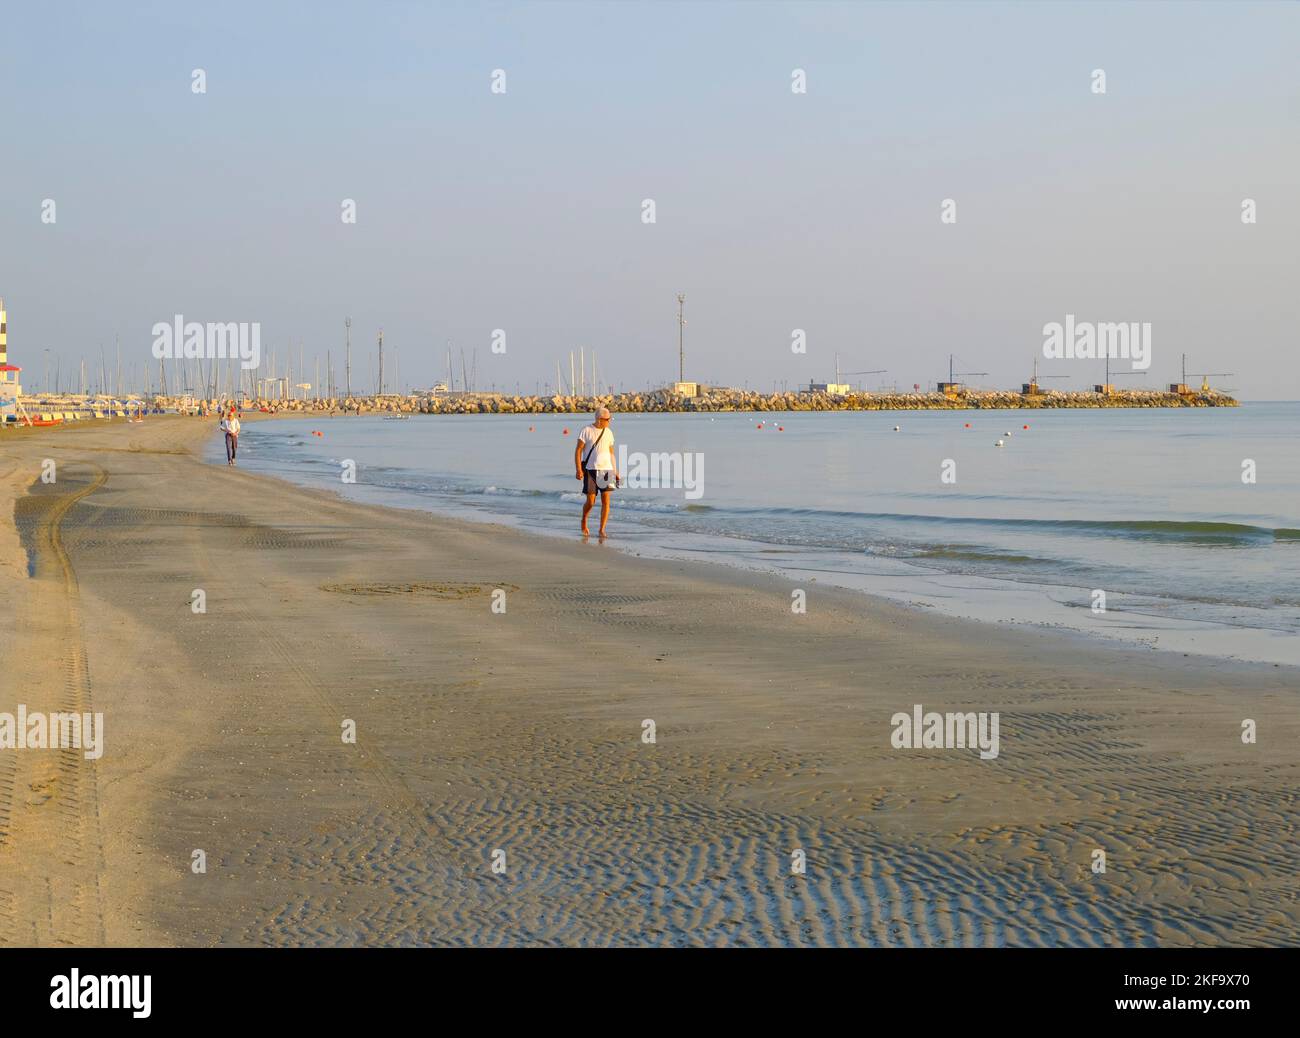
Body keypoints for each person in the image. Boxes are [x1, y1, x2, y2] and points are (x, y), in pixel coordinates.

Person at [574, 407, 620, 537]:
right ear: (599, 419)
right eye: (607, 419)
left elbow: (611, 453)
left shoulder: (609, 432)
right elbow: (578, 450)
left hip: (607, 470)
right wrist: (578, 469)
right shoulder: (586, 430)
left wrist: (616, 471)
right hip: (590, 470)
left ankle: (602, 529)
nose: (609, 421)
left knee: (606, 501)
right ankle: (584, 519)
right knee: (591, 501)